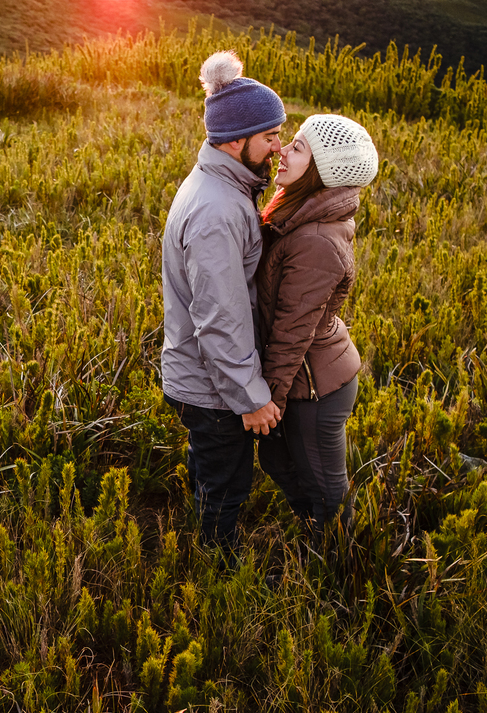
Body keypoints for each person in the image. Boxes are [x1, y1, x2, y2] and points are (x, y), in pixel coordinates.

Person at [162, 51, 285, 556]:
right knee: (227, 487)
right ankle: (217, 569)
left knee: (210, 468)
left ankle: (202, 534)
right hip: (212, 388)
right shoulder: (217, 211)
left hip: (199, 375)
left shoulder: (221, 186)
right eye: (270, 136)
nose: (278, 147)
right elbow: (220, 319)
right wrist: (250, 398)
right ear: (236, 140)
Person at [254, 114, 379, 539]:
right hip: (300, 377)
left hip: (315, 387)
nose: (282, 150)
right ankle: (314, 532)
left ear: (323, 172)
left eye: (299, 148)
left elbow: (292, 333)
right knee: (278, 462)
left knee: (326, 492)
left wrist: (268, 402)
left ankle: (337, 560)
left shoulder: (316, 241)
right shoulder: (300, 214)